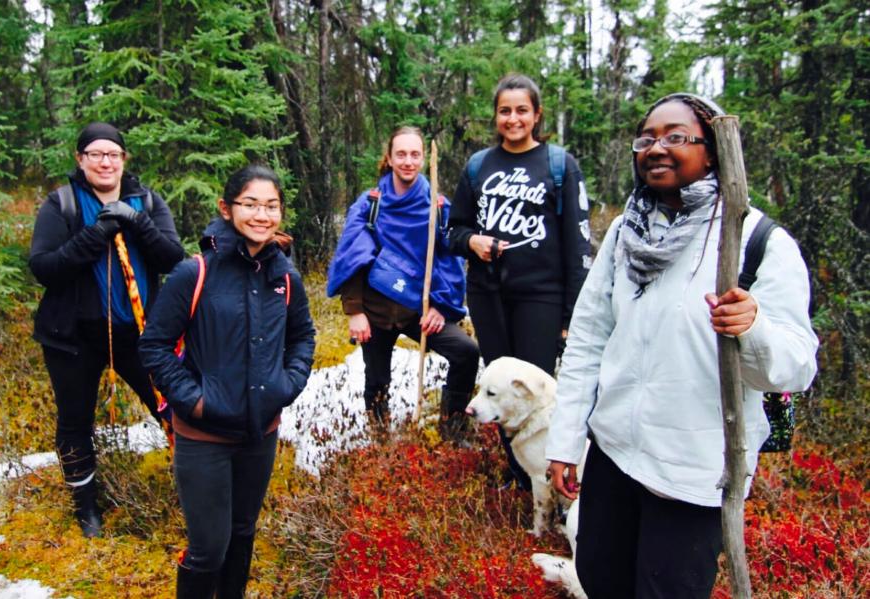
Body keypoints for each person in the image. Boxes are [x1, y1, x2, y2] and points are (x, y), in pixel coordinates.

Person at [545, 93, 819, 599]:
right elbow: (588, 339)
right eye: (647, 138)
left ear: (712, 150)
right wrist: (566, 440)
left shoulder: (757, 241)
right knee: (600, 576)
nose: (656, 148)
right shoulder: (627, 232)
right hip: (613, 451)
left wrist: (753, 327)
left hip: (694, 468)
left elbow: (796, 367)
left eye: (676, 137)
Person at [139, 164, 315, 598]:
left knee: (242, 532)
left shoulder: (285, 275)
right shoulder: (193, 273)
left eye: (271, 206)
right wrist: (194, 401)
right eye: (250, 204)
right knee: (208, 548)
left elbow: (303, 336)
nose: (262, 215)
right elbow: (154, 346)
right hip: (204, 435)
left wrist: (285, 385)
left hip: (261, 432)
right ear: (227, 208)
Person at [28, 122, 184, 538]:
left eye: (112, 154)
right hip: (72, 338)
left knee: (172, 407)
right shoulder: (61, 204)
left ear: (123, 160)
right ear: (80, 160)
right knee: (75, 422)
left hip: (140, 335)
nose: (105, 161)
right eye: (95, 154)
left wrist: (136, 223)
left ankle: (195, 489)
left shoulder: (146, 201)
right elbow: (44, 267)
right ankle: (86, 509)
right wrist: (97, 234)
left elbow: (173, 258)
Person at [447, 74, 591, 487]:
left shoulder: (559, 165)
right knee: (498, 388)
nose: (513, 119)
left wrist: (570, 314)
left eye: (522, 110)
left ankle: (548, 471)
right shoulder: (479, 166)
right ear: (496, 116)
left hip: (541, 298)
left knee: (535, 388)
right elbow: (453, 232)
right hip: (488, 295)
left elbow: (577, 247)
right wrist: (473, 240)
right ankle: (517, 472)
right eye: (505, 111)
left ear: (537, 114)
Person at [327, 126, 478, 440]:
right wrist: (355, 312)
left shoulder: (437, 207)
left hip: (416, 311)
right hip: (376, 312)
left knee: (465, 352)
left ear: (423, 158)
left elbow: (449, 260)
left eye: (415, 154)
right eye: (401, 154)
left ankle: (453, 433)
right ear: (389, 158)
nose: (408, 161)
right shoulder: (371, 204)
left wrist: (440, 306)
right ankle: (381, 446)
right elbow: (354, 259)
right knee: (377, 380)